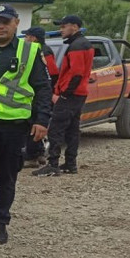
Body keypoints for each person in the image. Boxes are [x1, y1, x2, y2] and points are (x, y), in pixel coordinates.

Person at [0, 4, 52, 244]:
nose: (0, 26)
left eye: (5, 21)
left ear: (16, 23)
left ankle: (0, 222)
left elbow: (44, 88)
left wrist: (42, 120)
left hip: (13, 126)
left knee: (6, 178)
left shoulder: (31, 51)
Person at [33, 16, 94, 176]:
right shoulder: (82, 44)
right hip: (79, 94)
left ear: (74, 27)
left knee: (55, 130)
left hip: (71, 95)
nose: (61, 30)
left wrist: (63, 94)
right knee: (72, 130)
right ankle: (70, 164)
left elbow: (76, 73)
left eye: (63, 27)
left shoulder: (77, 46)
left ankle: (53, 165)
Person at [22, 26, 59, 168]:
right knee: (33, 125)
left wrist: (51, 93)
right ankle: (39, 153)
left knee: (34, 124)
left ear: (33, 38)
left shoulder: (42, 51)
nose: (25, 39)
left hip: (40, 94)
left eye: (27, 36)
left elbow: (52, 74)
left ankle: (33, 156)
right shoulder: (35, 50)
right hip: (36, 94)